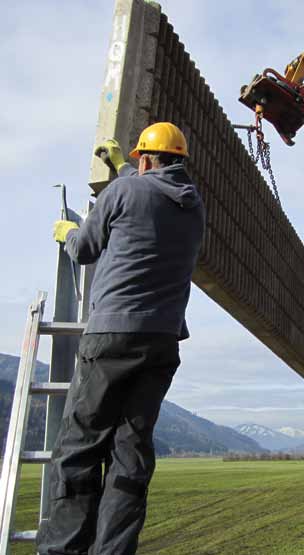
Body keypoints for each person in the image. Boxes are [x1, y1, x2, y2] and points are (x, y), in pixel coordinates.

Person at [36, 122, 205, 555]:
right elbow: (151, 190)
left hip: (112, 336)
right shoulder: (193, 206)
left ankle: (62, 549)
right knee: (130, 455)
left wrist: (67, 232)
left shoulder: (122, 193)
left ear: (145, 159)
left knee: (79, 449)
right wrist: (124, 170)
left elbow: (86, 249)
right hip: (162, 341)